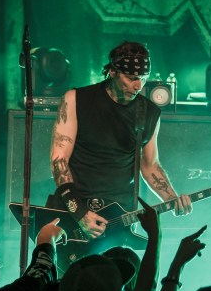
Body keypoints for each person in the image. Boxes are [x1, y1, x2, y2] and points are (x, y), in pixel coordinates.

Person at [49, 41, 191, 256]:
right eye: (132, 78)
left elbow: (150, 165)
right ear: (113, 71)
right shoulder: (76, 99)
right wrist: (79, 212)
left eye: (143, 78)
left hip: (119, 217)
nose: (138, 85)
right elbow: (59, 160)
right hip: (75, 211)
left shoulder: (149, 112)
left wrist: (171, 199)